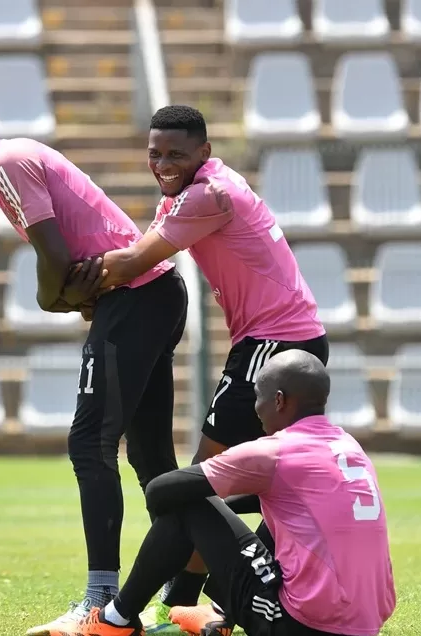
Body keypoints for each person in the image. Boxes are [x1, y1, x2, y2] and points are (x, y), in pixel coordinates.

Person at [0, 88, 188, 636]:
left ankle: (102, 599)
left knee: (91, 444)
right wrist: (61, 290)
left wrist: (55, 296)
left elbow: (55, 269)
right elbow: (60, 273)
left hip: (132, 301)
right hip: (152, 296)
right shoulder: (6, 168)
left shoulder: (10, 162)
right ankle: (179, 596)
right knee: (153, 458)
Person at [85, 105, 329, 632]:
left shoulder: (208, 195)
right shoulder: (194, 190)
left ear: (205, 153)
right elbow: (139, 258)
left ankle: (175, 600)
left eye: (176, 154)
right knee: (242, 478)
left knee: (199, 477)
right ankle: (211, 597)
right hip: (283, 337)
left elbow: (132, 263)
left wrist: (70, 281)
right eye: (155, 154)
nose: (164, 163)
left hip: (274, 344)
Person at [53, 349, 397, 636]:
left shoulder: (275, 452)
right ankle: (218, 613)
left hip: (302, 624)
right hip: (364, 624)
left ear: (279, 400)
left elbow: (160, 491)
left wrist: (211, 511)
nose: (255, 407)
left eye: (258, 396)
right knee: (279, 508)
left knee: (188, 504)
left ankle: (115, 620)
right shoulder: (348, 447)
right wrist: (231, 507)